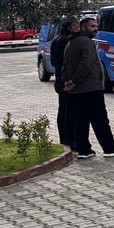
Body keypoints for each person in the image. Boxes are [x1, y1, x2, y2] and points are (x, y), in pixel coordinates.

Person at [63, 16, 114, 159]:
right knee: (100, 120)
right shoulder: (86, 42)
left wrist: (68, 82)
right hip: (90, 89)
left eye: (96, 26)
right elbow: (85, 65)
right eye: (92, 26)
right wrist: (74, 81)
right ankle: (110, 148)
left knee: (80, 121)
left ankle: (84, 150)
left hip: (76, 91)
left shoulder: (70, 43)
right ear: (83, 27)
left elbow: (64, 66)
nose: (96, 29)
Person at [50, 16, 79, 148]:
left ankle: (64, 138)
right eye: (77, 24)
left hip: (58, 78)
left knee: (62, 110)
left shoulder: (55, 40)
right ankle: (71, 139)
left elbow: (52, 61)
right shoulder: (69, 41)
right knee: (70, 111)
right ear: (72, 25)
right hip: (67, 79)